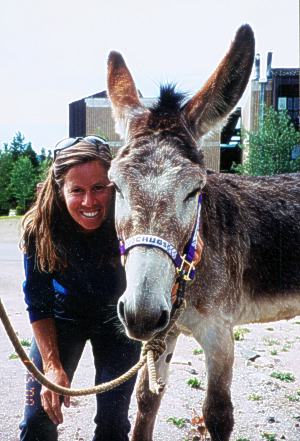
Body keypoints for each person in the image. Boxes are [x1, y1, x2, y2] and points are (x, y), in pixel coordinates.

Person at [19, 136, 141, 441]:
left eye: (99, 188)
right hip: (62, 318)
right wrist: (51, 366)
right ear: (61, 191)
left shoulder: (133, 221)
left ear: (113, 186)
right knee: (38, 421)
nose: (90, 203)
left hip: (118, 322)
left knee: (114, 424)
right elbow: (38, 301)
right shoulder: (41, 228)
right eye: (77, 190)